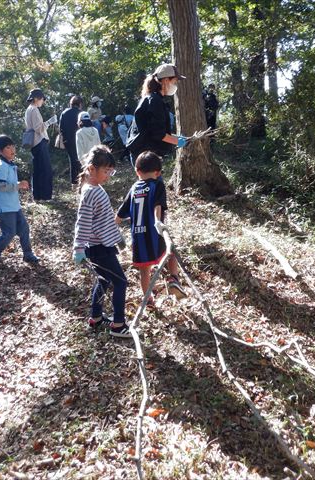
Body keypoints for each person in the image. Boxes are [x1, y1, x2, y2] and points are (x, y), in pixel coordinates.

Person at [72, 145, 130, 338]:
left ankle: (96, 317)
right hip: (99, 248)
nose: (108, 175)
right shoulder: (91, 192)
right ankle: (118, 325)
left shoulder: (94, 188)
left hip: (102, 245)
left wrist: (118, 239)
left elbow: (103, 219)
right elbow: (83, 222)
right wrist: (78, 248)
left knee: (103, 280)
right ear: (91, 169)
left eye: (110, 171)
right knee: (121, 282)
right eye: (105, 171)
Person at [115, 151, 187, 306]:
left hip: (138, 237)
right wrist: (157, 222)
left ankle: (148, 299)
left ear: (136, 171)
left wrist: (109, 226)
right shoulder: (157, 185)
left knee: (144, 270)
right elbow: (157, 206)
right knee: (171, 252)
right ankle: (173, 279)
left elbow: (120, 214)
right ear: (158, 172)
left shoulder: (134, 188)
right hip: (155, 233)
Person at [0, 135, 39, 264]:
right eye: (8, 147)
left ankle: (28, 254)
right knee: (9, 233)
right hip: (5, 207)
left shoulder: (10, 164)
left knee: (24, 229)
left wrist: (19, 184)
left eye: (13, 146)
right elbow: (1, 186)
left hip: (14, 206)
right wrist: (18, 185)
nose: (12, 149)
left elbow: (9, 183)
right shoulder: (1, 167)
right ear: (0, 151)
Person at [125, 63, 189, 166]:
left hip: (146, 154)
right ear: (166, 80)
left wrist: (176, 137)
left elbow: (153, 130)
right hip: (145, 156)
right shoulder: (155, 101)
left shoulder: (153, 99)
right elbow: (158, 133)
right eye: (175, 81)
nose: (176, 84)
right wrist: (177, 141)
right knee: (151, 182)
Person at [24, 88, 56, 201]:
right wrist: (50, 122)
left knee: (38, 170)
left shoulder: (29, 110)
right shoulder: (34, 110)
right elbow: (39, 128)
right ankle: (45, 196)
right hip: (39, 142)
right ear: (36, 98)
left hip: (34, 143)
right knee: (45, 169)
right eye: (42, 99)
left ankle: (37, 195)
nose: (43, 101)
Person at [59, 95, 83, 188]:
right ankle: (82, 180)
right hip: (79, 139)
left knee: (72, 160)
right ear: (80, 104)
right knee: (81, 159)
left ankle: (74, 182)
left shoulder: (64, 113)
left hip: (68, 140)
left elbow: (61, 127)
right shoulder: (81, 113)